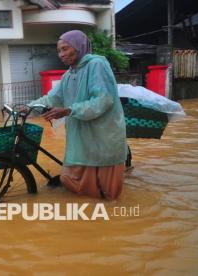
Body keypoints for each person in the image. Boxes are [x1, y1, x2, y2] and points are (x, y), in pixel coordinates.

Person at [28, 30, 127, 200]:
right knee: (70, 180)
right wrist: (28, 107)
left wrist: (69, 110)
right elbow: (53, 97)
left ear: (79, 46)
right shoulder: (68, 75)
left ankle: (112, 222)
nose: (61, 54)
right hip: (80, 139)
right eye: (59, 50)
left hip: (103, 136)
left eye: (65, 48)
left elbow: (104, 99)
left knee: (108, 193)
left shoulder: (97, 64)